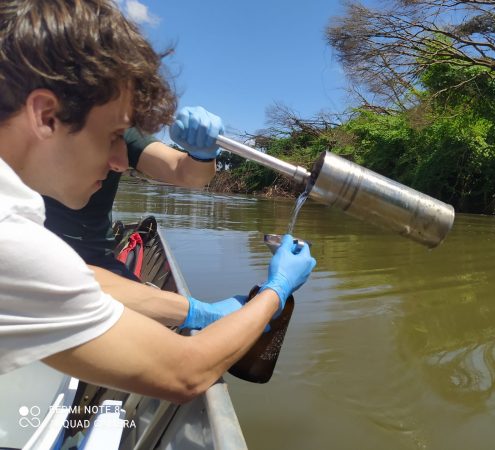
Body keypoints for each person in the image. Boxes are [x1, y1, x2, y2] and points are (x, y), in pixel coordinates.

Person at [0, 0, 316, 404]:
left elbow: (84, 276)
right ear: (45, 116)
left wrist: (203, 155)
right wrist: (276, 288)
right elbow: (185, 372)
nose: (120, 162)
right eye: (113, 135)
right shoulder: (10, 233)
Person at [43, 106, 248, 331]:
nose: (122, 164)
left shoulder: (114, 120)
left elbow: (185, 173)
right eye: (110, 139)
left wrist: (202, 155)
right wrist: (195, 312)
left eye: (119, 138)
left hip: (98, 260)